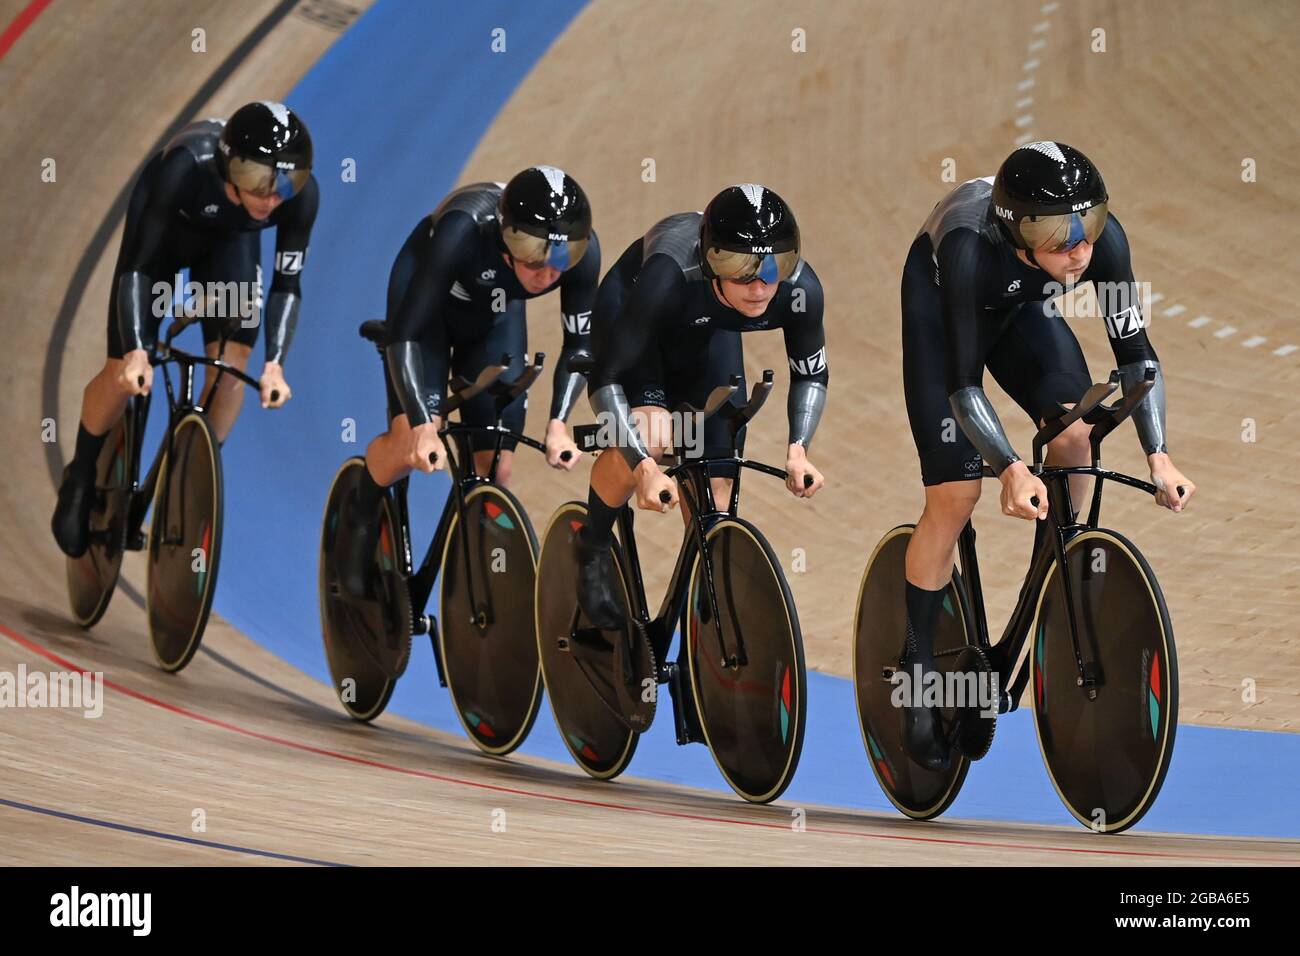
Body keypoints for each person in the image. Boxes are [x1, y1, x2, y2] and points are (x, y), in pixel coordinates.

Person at [898, 141, 1196, 769]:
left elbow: (1135, 353)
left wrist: (1159, 455)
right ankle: (919, 671)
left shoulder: (1099, 243)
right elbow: (963, 387)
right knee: (955, 496)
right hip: (943, 313)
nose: (1079, 250)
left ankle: (1053, 577)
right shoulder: (968, 247)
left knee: (1075, 435)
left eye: (1085, 229)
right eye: (1059, 236)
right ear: (1016, 230)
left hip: (1019, 307)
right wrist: (1009, 466)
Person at [51, 101, 319, 558]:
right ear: (229, 166)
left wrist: (275, 363)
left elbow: (286, 286)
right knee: (122, 370)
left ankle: (191, 483)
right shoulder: (184, 168)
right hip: (164, 243)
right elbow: (139, 268)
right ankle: (79, 477)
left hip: (229, 247)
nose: (272, 196)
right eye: (259, 179)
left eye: (286, 181)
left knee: (232, 370)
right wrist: (137, 349)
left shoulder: (300, 200)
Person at [337, 166, 600, 598]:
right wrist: (423, 424)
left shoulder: (580, 255)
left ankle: (476, 571)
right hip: (426, 314)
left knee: (497, 464)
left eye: (560, 259)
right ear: (507, 238)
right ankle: (360, 516)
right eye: (534, 255)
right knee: (411, 446)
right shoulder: (463, 230)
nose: (547, 274)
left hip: (493, 319)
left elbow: (579, 349)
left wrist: (558, 422)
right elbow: (404, 334)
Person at [576, 184, 828, 628]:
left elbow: (810, 373)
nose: (759, 286)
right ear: (711, 261)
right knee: (653, 439)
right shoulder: (668, 274)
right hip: (641, 331)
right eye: (740, 269)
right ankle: (592, 546)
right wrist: (643, 467)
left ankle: (703, 602)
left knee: (718, 485)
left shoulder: (799, 289)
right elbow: (605, 379)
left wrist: (799, 448)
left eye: (773, 268)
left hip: (709, 330)